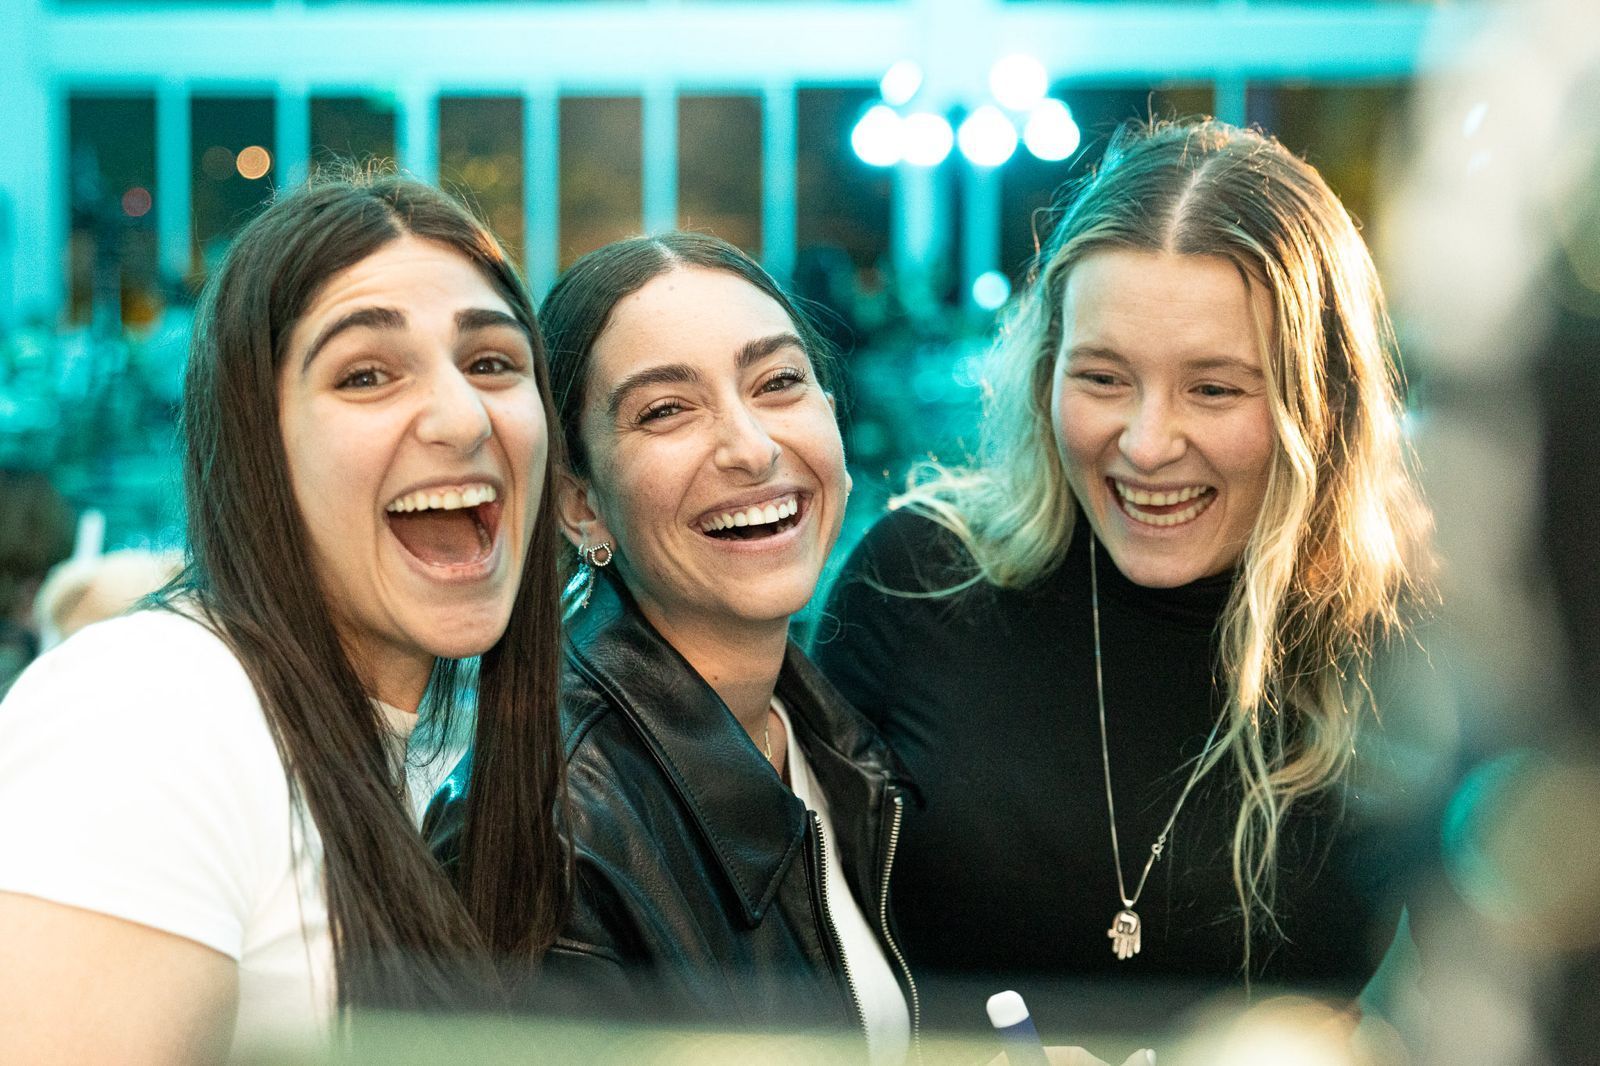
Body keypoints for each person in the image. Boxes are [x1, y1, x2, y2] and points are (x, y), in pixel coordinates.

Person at [814, 118, 1436, 1039]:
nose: (1146, 445)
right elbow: (800, 963)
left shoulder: (1406, 638)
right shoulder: (915, 583)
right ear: (1045, 373)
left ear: (1323, 400)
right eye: (1104, 379)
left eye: (1214, 389)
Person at [0, 174, 567, 1060]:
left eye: (492, 363)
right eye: (366, 375)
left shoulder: (448, 745)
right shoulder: (147, 710)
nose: (463, 418)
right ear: (259, 445)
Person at [430, 233, 916, 1063]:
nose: (752, 448)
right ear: (580, 504)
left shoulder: (821, 735)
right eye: (666, 410)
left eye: (779, 382)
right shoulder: (548, 831)